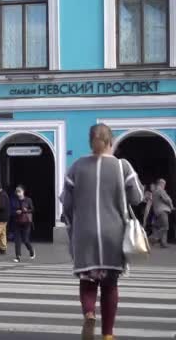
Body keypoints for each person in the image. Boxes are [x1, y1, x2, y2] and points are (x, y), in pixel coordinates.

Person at [61, 123, 144, 340]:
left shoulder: (77, 167)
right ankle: (108, 334)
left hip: (84, 234)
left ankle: (89, 313)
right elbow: (137, 197)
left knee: (88, 282)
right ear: (111, 141)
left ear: (90, 142)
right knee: (110, 285)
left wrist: (73, 221)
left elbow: (66, 203)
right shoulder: (122, 166)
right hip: (113, 235)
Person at [13, 185, 35, 263]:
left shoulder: (28, 200)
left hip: (26, 222)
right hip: (17, 222)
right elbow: (11, 209)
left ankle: (31, 250)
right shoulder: (14, 200)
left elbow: (32, 210)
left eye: (19, 191)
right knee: (17, 241)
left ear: (23, 192)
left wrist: (25, 210)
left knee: (25, 240)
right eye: (17, 191)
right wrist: (15, 212)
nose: (18, 193)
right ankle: (18, 256)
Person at [151, 178, 174, 248]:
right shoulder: (160, 190)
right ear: (161, 184)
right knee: (165, 227)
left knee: (161, 227)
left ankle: (163, 243)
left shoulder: (154, 191)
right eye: (164, 184)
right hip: (162, 211)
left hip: (156, 211)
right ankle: (153, 237)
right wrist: (171, 206)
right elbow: (167, 199)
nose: (165, 185)